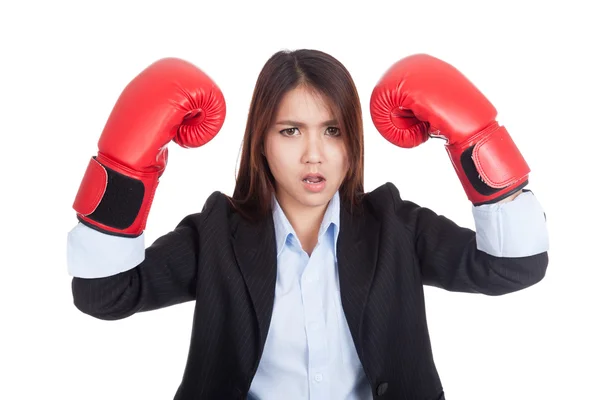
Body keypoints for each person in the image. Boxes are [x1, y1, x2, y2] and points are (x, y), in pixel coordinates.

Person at [67, 49, 549, 400]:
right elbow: (104, 294)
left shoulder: (395, 226)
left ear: (353, 143)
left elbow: (514, 267)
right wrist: (125, 167)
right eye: (291, 130)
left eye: (333, 131)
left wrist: (476, 139)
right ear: (261, 141)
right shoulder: (217, 233)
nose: (313, 154)